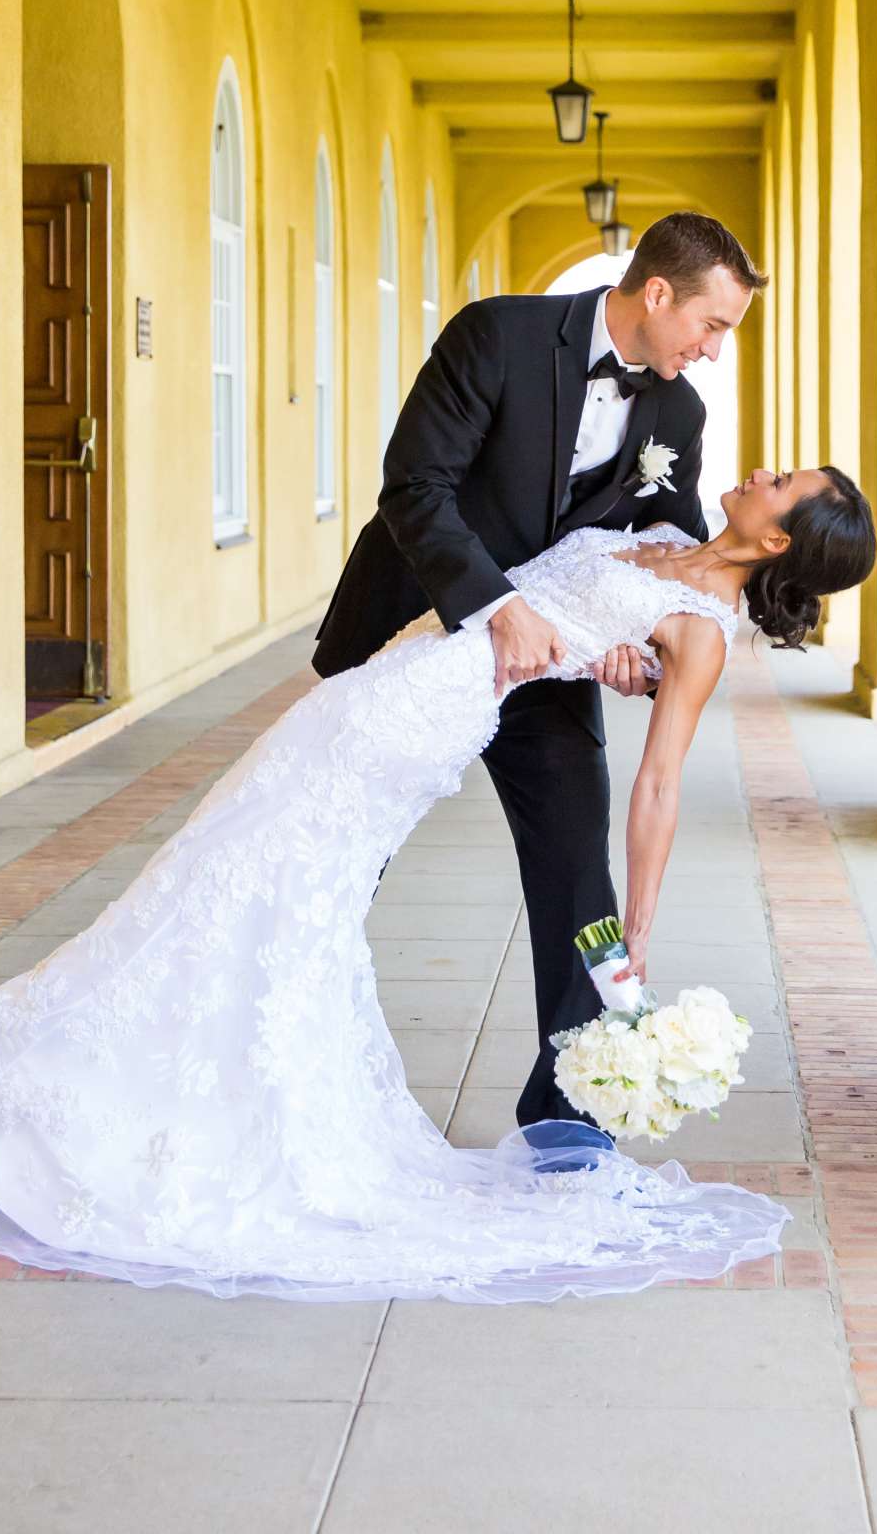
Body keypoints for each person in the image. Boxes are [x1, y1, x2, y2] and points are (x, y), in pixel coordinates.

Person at [0, 465, 876, 1301]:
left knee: (254, 873)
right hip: (394, 672)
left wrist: (640, 923)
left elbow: (660, 780)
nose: (762, 470)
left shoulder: (699, 633)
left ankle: (140, 1087)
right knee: (245, 873)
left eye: (782, 482)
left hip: (417, 722)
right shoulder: (663, 538)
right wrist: (599, 649)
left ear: (780, 538)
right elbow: (548, 580)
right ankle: (173, 1088)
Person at [315, 211, 760, 1125]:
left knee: (574, 860)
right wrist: (497, 607)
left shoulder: (679, 409)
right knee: (335, 850)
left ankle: (573, 1100)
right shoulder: (497, 335)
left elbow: (657, 540)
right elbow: (414, 487)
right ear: (660, 292)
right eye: (712, 326)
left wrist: (635, 639)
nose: (715, 351)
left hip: (547, 671)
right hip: (416, 635)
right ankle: (286, 1040)